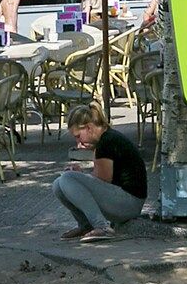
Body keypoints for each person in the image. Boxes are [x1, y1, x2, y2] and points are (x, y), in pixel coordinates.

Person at [56, 103, 147, 243]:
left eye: (78, 136)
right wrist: (81, 175)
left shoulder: (107, 141)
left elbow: (104, 179)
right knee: (58, 184)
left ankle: (101, 226)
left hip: (130, 203)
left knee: (67, 179)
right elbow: (100, 178)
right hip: (125, 200)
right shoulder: (105, 140)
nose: (78, 143)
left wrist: (79, 177)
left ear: (89, 128)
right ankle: (85, 226)